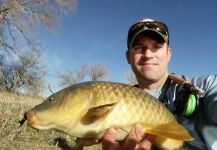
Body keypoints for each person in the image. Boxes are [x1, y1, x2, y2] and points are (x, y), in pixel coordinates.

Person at [81, 18, 217, 150]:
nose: (148, 54)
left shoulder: (206, 87)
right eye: (139, 47)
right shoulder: (117, 100)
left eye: (157, 46)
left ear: (168, 54)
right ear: (128, 56)